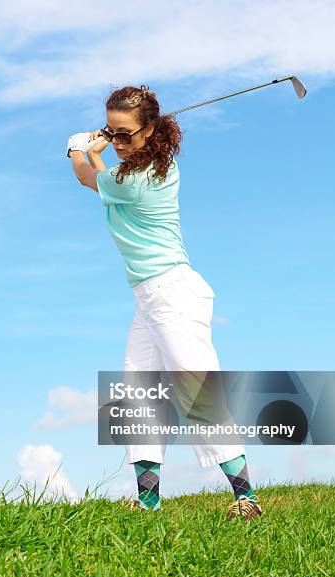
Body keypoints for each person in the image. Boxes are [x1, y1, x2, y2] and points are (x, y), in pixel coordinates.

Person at [67, 84, 262, 522]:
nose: (118, 143)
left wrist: (76, 149)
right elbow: (103, 182)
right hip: (150, 298)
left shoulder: (139, 178)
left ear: (150, 129)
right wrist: (98, 151)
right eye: (111, 132)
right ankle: (149, 501)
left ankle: (246, 497)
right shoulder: (146, 167)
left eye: (125, 134)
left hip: (173, 295)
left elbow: (87, 177)